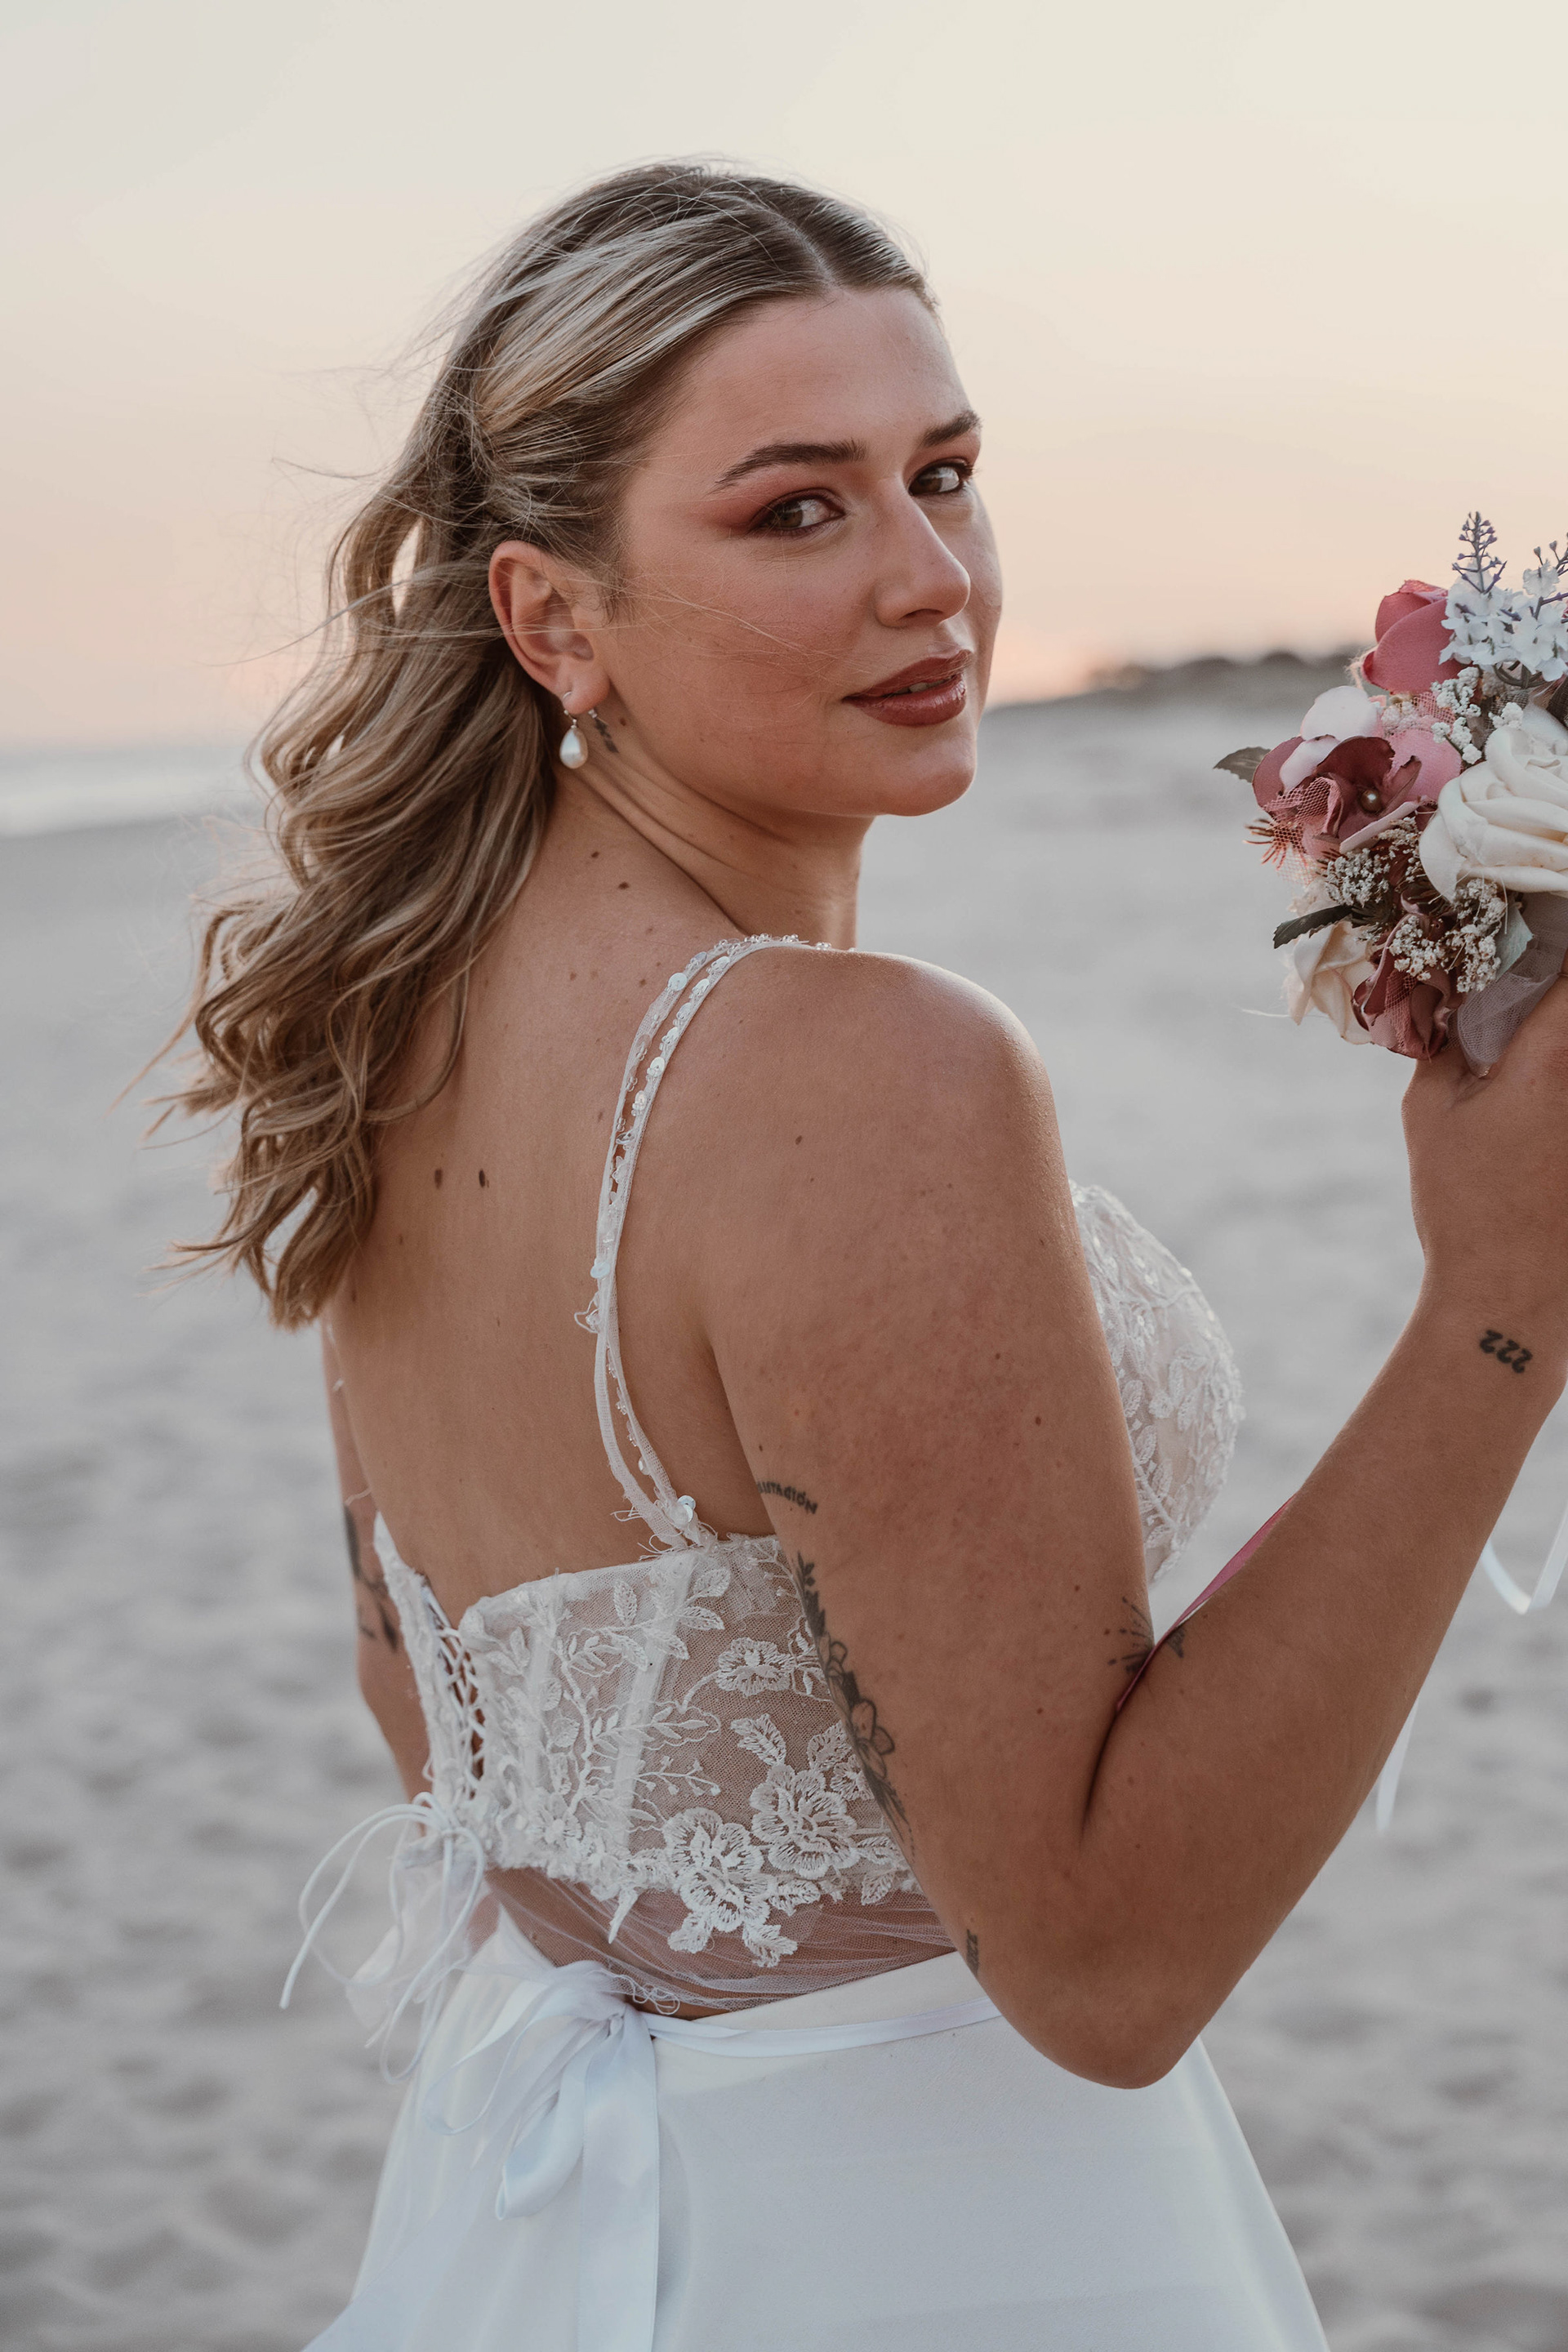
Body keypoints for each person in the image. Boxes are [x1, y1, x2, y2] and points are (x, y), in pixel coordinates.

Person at [167, 161, 1568, 2352]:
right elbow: (1106, 1970)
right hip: (931, 2232)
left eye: (946, 476)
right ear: (555, 620)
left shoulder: (401, 1020)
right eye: (795, 511)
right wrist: (1506, 1301)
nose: (935, 582)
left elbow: (424, 1711)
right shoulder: (855, 1074)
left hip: (554, 2212)